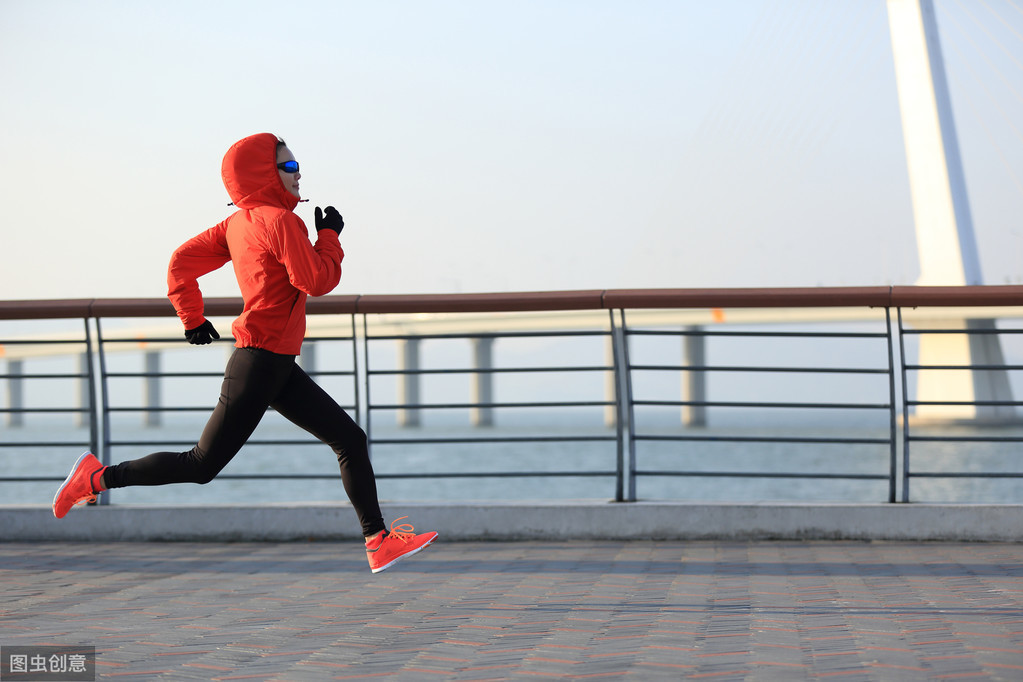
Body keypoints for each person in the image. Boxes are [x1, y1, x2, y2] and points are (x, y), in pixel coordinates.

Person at [52, 132, 437, 574]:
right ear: (263, 173)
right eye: (288, 167)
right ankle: (96, 477)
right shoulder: (280, 222)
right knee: (201, 465)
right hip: (259, 363)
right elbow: (315, 280)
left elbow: (180, 262)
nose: (297, 175)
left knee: (350, 439)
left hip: (274, 362)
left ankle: (378, 541)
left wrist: (192, 318)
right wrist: (329, 236)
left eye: (297, 167)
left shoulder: (238, 223)